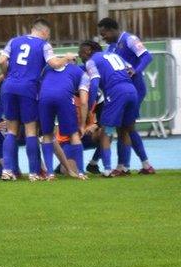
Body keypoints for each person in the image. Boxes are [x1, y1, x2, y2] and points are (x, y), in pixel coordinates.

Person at [0, 18, 77, 181]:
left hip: (9, 86)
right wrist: (67, 58)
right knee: (30, 130)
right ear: (45, 32)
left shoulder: (14, 41)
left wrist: (7, 74)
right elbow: (55, 64)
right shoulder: (43, 45)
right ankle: (34, 173)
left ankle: (7, 170)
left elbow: (1, 60)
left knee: (11, 129)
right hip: (28, 87)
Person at [98, 17, 155, 175]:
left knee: (126, 127)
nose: (103, 37)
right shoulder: (110, 48)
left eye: (104, 34)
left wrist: (136, 70)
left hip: (135, 89)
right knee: (125, 127)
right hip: (124, 91)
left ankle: (125, 166)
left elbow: (147, 56)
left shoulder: (130, 39)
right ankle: (141, 165)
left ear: (111, 30)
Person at [79, 40, 138, 177]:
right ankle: (124, 168)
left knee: (107, 131)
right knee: (125, 130)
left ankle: (106, 170)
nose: (80, 56)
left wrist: (91, 105)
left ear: (88, 50)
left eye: (80, 52)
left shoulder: (91, 61)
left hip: (116, 93)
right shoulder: (113, 54)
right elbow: (131, 70)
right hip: (131, 90)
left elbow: (94, 82)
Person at [38, 63, 91, 180]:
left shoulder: (47, 67)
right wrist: (82, 125)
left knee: (47, 135)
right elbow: (83, 102)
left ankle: (50, 174)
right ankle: (81, 172)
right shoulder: (83, 75)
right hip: (64, 97)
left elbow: (39, 84)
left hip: (44, 97)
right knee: (74, 134)